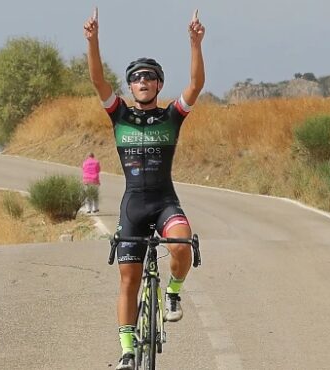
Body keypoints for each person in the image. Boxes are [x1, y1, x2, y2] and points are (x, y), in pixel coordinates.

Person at [84, 7, 205, 370]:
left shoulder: (171, 116)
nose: (143, 82)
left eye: (150, 78)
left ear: (158, 85)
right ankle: (126, 349)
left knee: (182, 243)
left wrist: (195, 43)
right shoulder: (120, 114)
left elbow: (196, 86)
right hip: (133, 205)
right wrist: (93, 42)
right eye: (137, 78)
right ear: (130, 85)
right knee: (128, 279)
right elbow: (96, 81)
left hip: (164, 200)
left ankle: (172, 294)